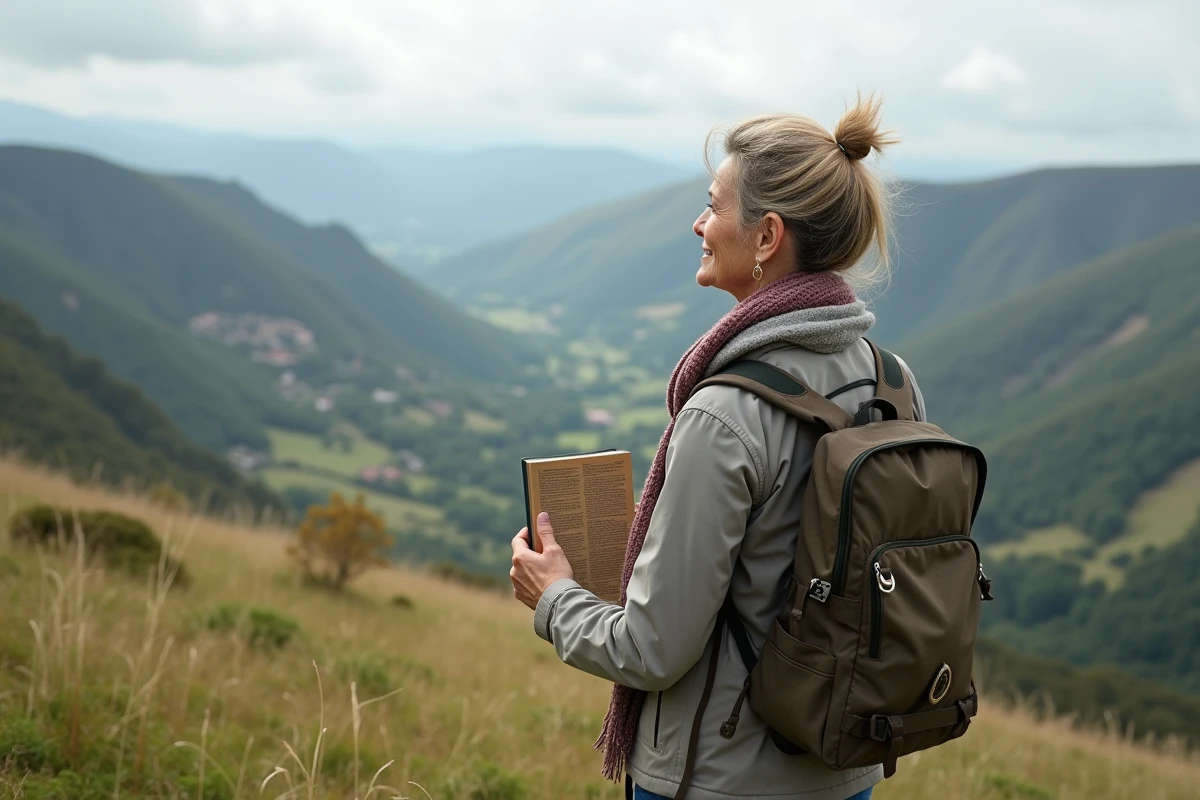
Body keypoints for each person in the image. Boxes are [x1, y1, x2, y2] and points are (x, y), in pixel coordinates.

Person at [510, 95, 922, 800]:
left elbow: (652, 650)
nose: (699, 224)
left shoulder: (725, 414)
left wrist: (553, 598)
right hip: (844, 769)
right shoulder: (890, 381)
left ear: (765, 237)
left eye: (713, 205)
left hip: (718, 780)